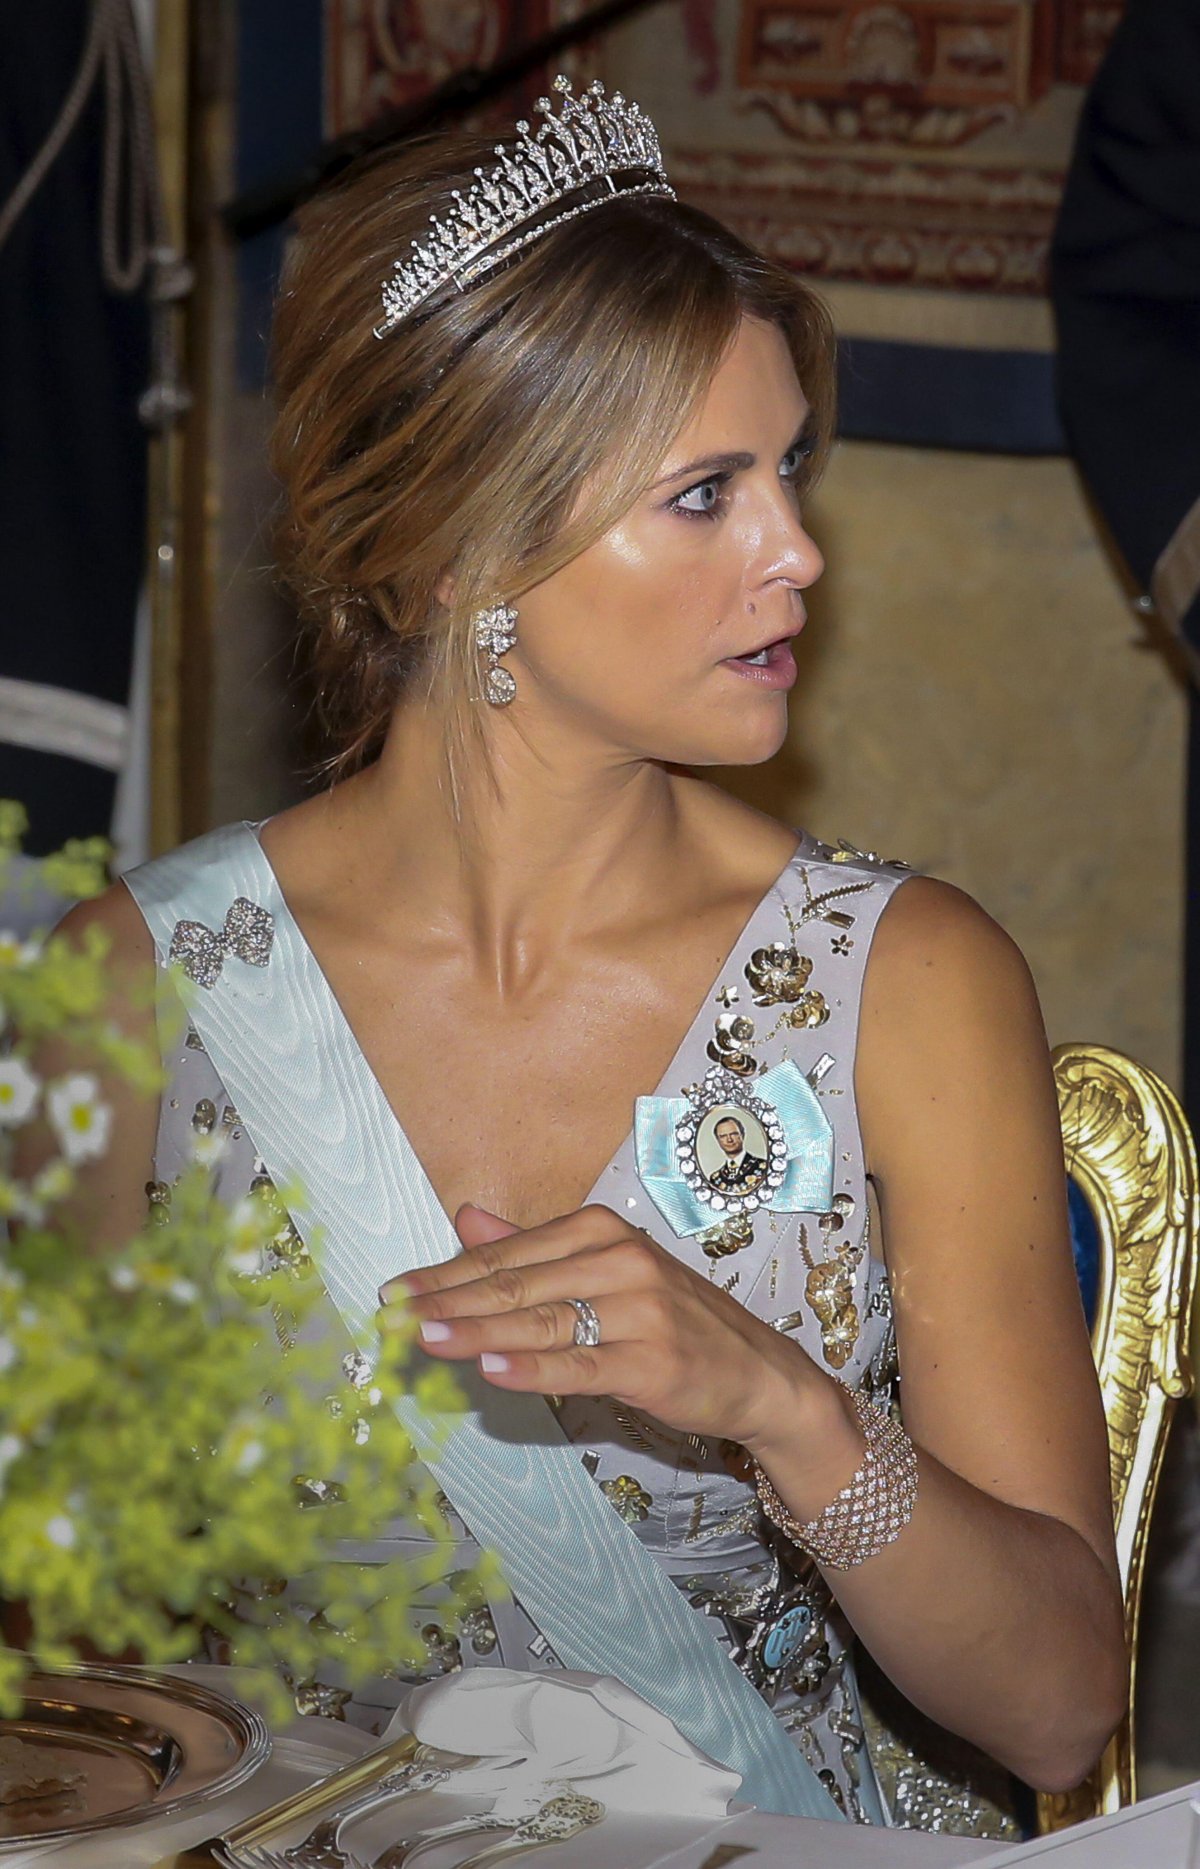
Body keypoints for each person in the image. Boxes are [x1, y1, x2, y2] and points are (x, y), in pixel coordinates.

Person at [49, 77, 1125, 1825]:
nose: (800, 551)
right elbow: (57, 1652)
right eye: (705, 494)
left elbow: (1065, 1709)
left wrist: (784, 1405)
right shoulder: (134, 994)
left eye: (787, 471)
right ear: (459, 550)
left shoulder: (909, 984)